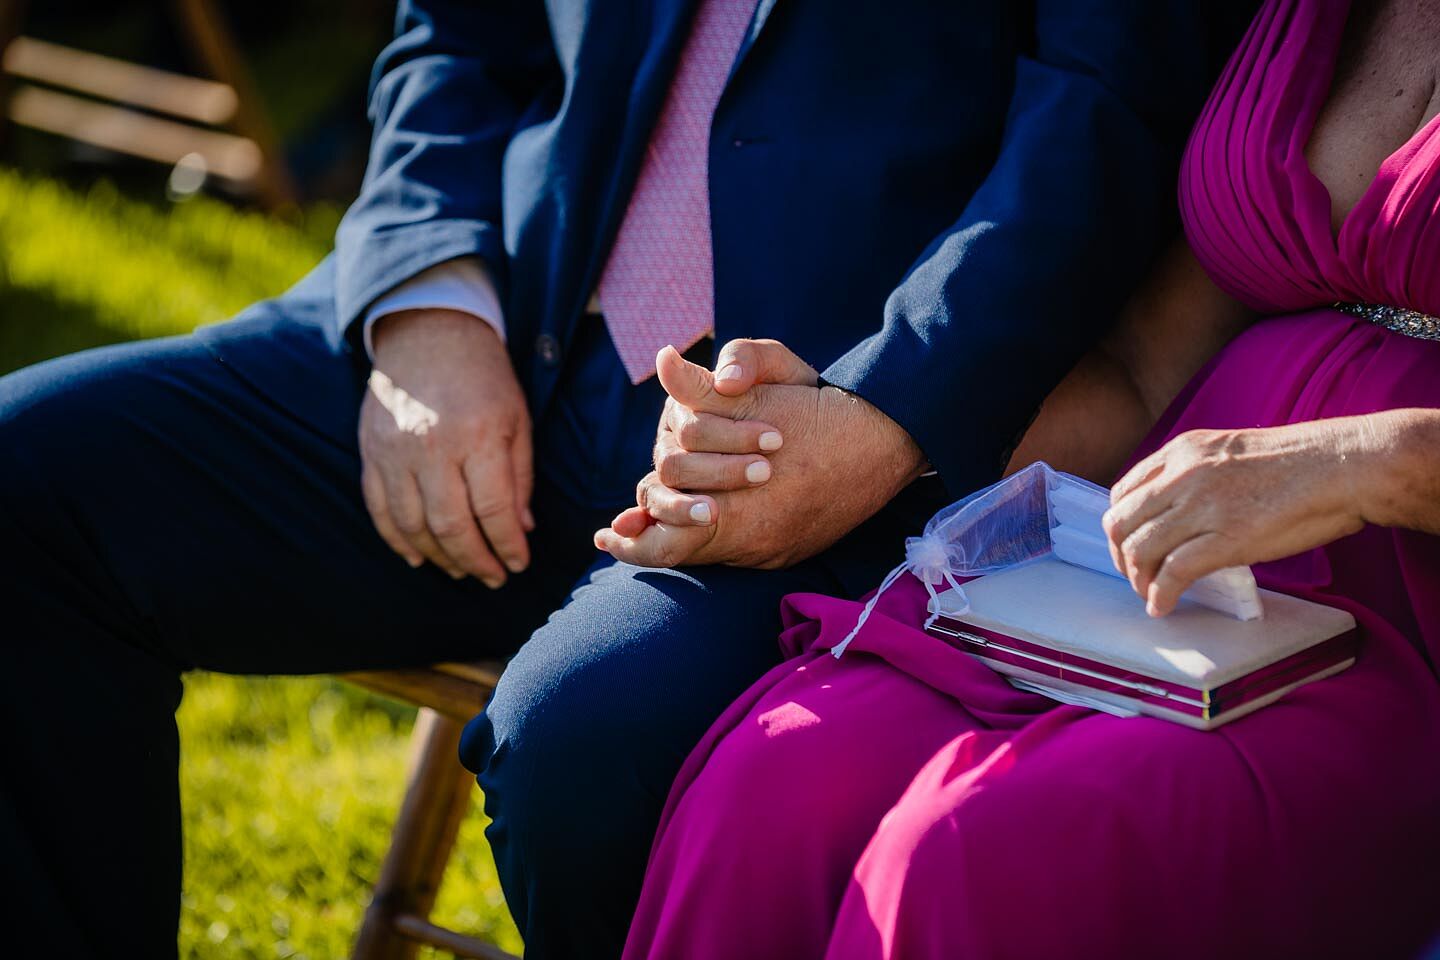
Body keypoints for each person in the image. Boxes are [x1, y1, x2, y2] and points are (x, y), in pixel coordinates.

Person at [0, 2, 1242, 957]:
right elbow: (458, 29)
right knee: (29, 482)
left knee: (585, 751)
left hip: (823, 420)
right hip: (508, 316)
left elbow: (1109, 105)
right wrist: (429, 307)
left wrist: (889, 412)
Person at [616, 0, 1440, 956]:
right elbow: (1142, 369)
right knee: (777, 781)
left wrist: (1358, 462)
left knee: (969, 854)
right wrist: (850, 442)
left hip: (1394, 628)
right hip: (1142, 575)